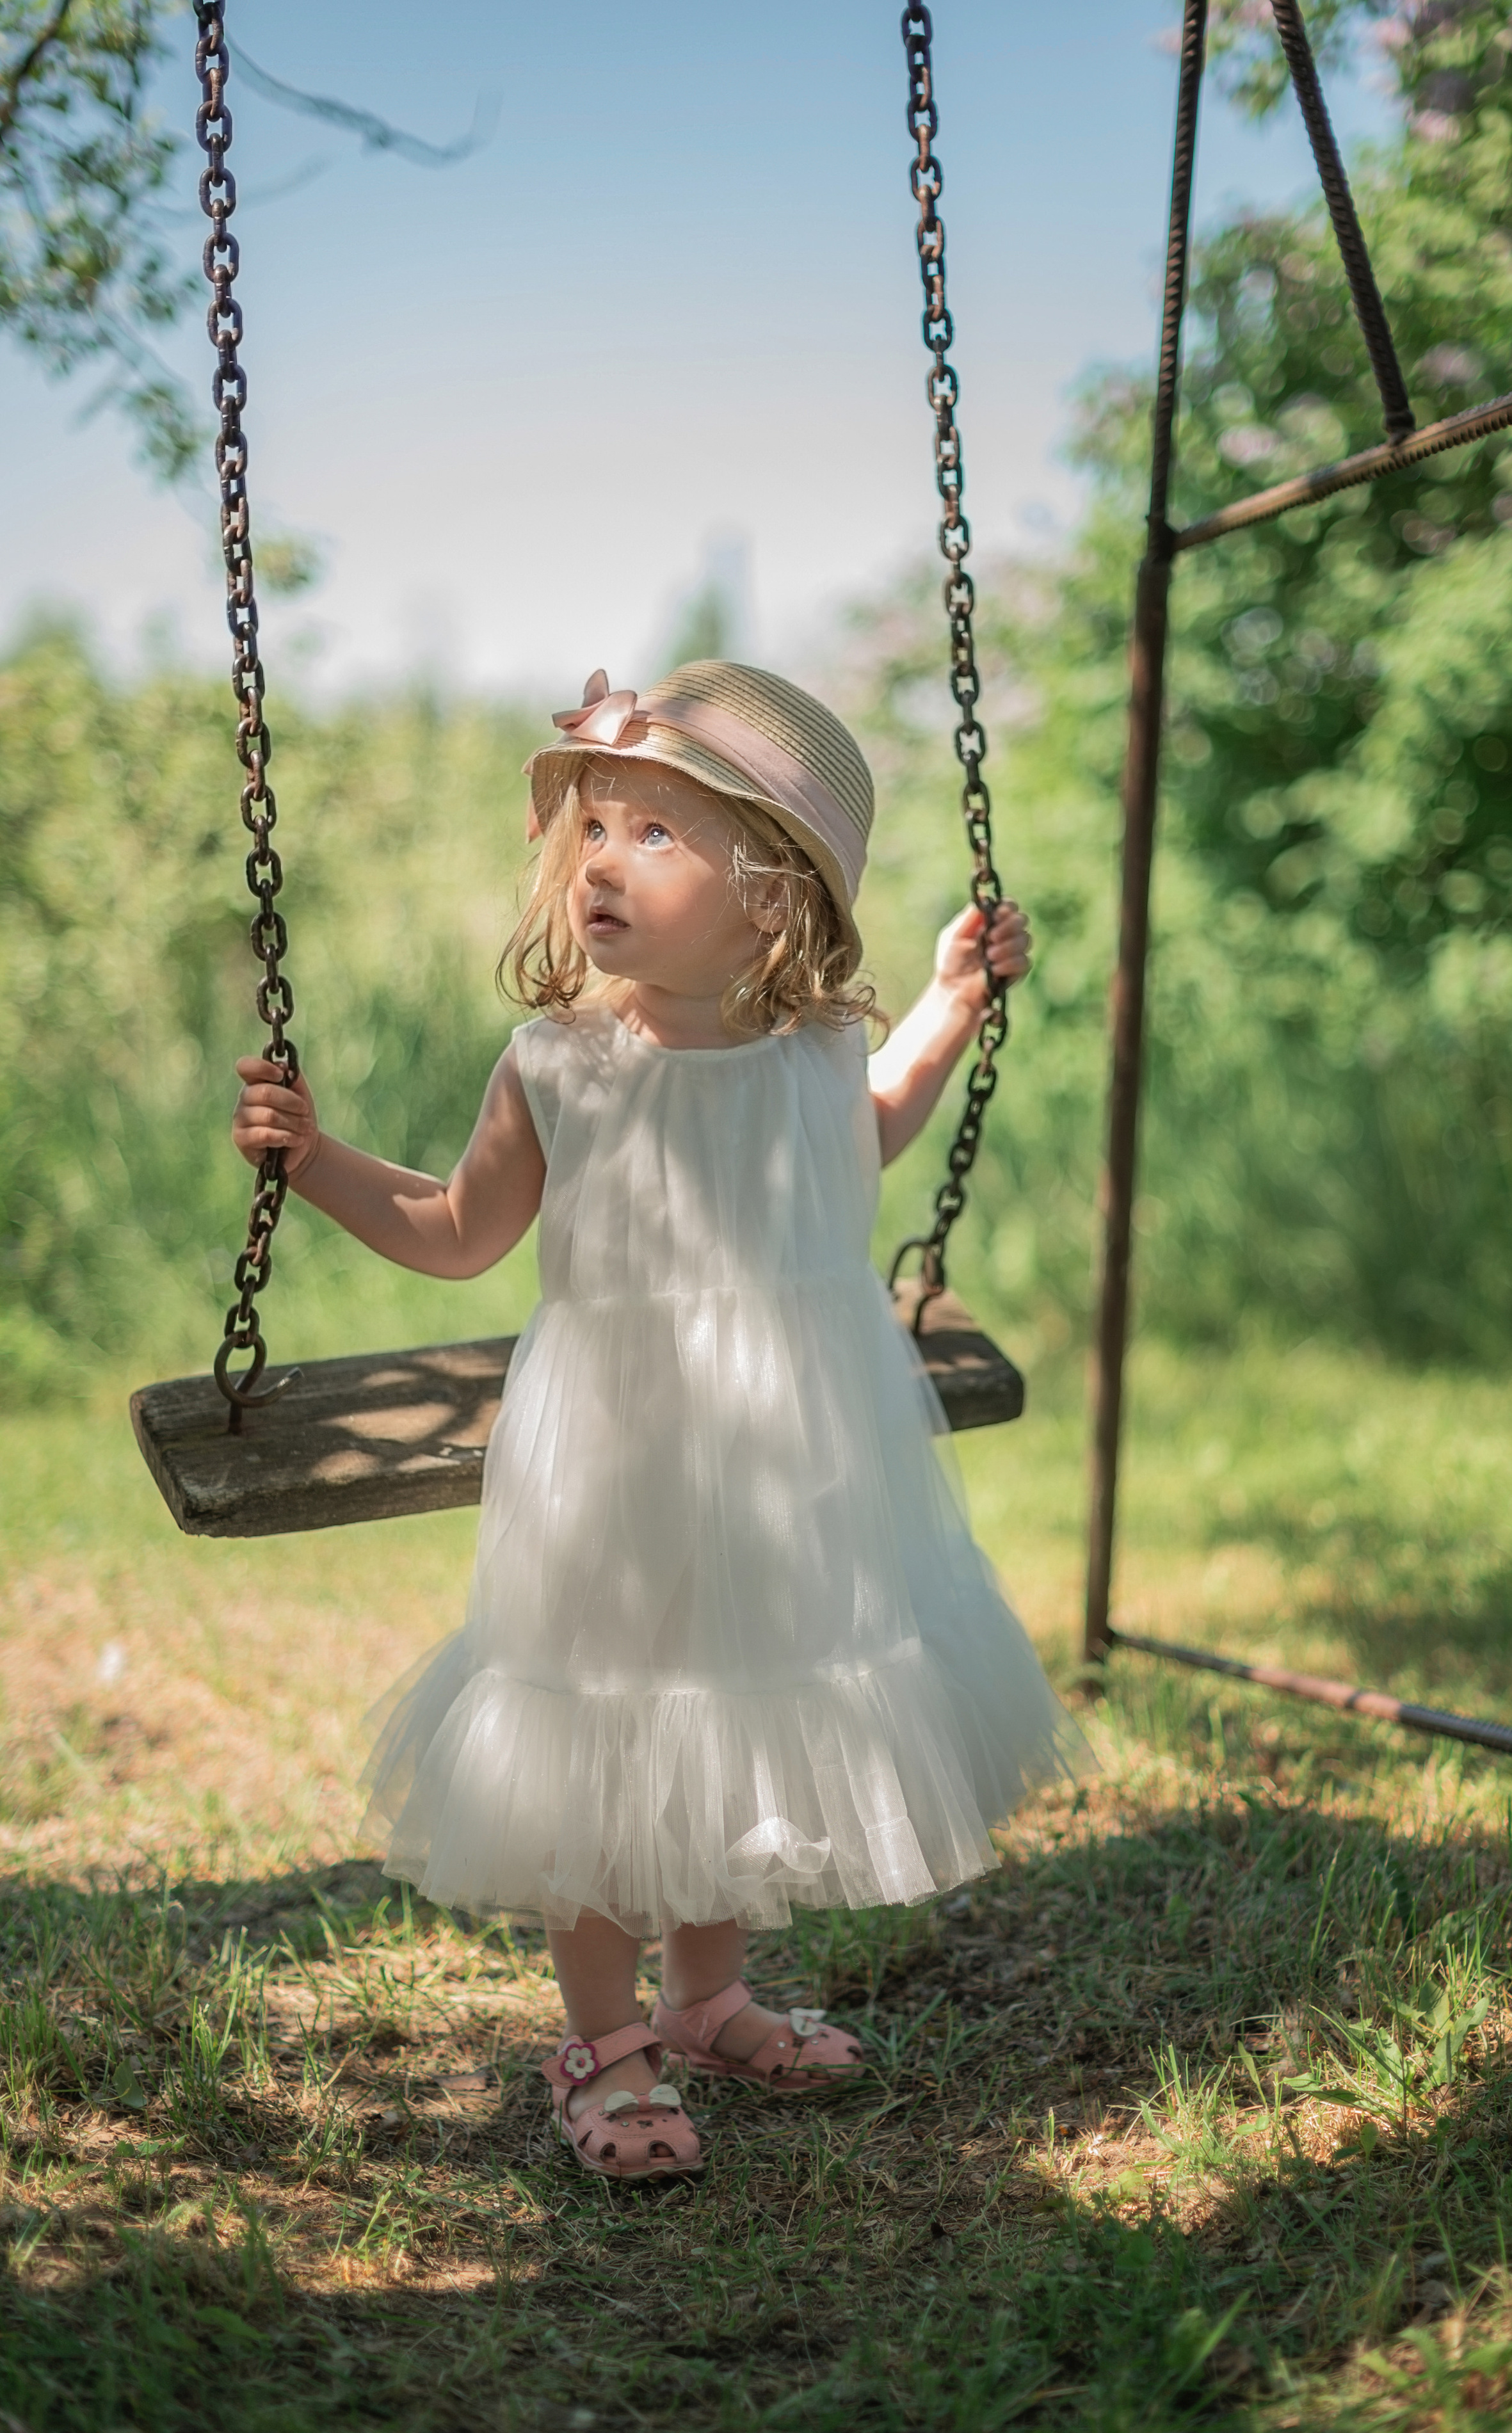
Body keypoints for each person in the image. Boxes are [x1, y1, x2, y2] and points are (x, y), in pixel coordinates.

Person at [231, 660, 1074, 2180]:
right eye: (593, 830)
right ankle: (605, 2041)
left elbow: (868, 1129)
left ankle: (706, 1999)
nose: (601, 863)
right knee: (609, 1731)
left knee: (739, 1709)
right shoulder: (561, 1065)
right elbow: (454, 1232)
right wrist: (314, 1159)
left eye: (655, 833)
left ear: (775, 898)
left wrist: (953, 1003)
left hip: (788, 1457)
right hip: (615, 1467)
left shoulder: (817, 1054)